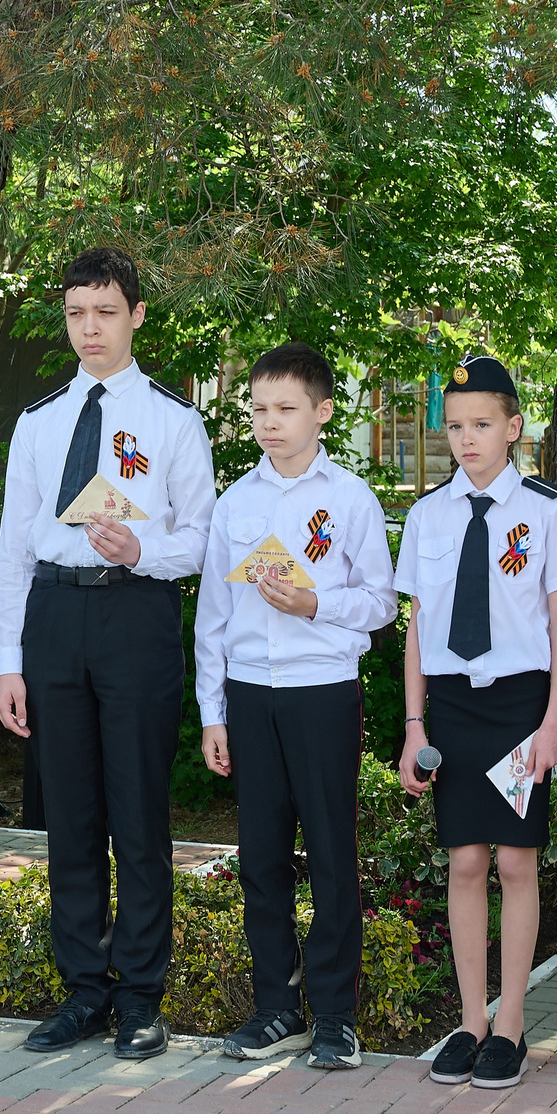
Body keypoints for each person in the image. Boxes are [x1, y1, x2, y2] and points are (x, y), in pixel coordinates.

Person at [0, 246, 216, 1061]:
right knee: (71, 817)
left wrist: (137, 550)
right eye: (78, 312)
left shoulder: (172, 419)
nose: (91, 328)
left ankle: (141, 999)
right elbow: (15, 547)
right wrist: (7, 660)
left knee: (138, 812)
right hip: (54, 618)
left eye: (107, 312)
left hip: (135, 616)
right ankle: (83, 991)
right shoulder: (40, 420)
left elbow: (200, 542)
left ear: (137, 317)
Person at [196, 342, 397, 1070]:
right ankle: (275, 1007)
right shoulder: (236, 503)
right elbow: (211, 619)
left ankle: (336, 1015)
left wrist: (314, 602)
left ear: (322, 412)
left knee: (333, 858)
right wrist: (212, 712)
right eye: (258, 410)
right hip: (251, 697)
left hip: (321, 694)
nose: (269, 423)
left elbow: (380, 604)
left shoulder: (350, 500)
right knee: (261, 860)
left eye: (285, 409)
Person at [397, 355, 557, 1091]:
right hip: (452, 704)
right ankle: (470, 1020)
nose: (466, 438)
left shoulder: (547, 510)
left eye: (481, 424)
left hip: (519, 705)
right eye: (454, 426)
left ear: (514, 428)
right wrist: (415, 729)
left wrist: (554, 724)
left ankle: (510, 1026)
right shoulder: (427, 515)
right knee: (467, 862)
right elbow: (416, 628)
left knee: (515, 861)